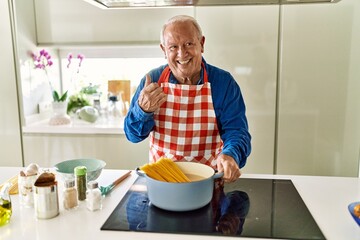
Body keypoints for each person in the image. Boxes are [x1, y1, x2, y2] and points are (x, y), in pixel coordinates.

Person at [124, 15, 251, 182]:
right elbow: (132, 135)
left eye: (189, 44)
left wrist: (230, 155)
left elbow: (237, 131)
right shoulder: (152, 81)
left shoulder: (223, 83)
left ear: (202, 44)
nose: (181, 53)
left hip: (208, 183)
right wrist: (143, 111)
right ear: (164, 50)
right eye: (173, 47)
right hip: (163, 183)